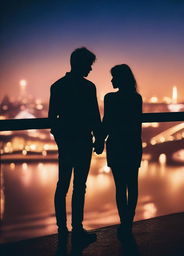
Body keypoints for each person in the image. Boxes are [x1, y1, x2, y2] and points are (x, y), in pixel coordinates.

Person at [48, 47, 104, 245]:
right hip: (83, 141)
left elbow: (52, 120)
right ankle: (77, 229)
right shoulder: (89, 88)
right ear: (81, 64)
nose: (90, 69)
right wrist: (98, 139)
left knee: (62, 185)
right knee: (80, 186)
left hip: (66, 143)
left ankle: (61, 230)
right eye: (89, 65)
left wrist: (60, 140)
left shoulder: (57, 86)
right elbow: (94, 117)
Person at [103, 64, 142, 240]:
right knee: (132, 184)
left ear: (120, 79)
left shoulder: (110, 98)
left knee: (120, 187)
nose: (111, 80)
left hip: (116, 145)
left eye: (114, 77)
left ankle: (123, 222)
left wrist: (97, 142)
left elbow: (106, 124)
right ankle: (129, 223)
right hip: (132, 145)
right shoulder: (136, 98)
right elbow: (136, 125)